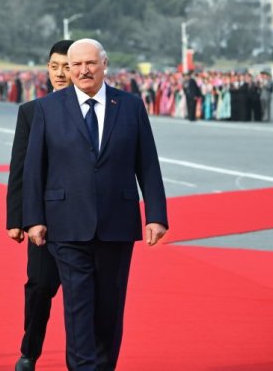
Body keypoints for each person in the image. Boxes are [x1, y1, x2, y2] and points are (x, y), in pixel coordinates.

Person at [23, 38, 168, 371]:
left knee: (109, 307)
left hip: (117, 222)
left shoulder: (130, 106)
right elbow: (33, 168)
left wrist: (156, 215)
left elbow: (147, 162)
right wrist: (33, 218)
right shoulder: (47, 108)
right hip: (66, 223)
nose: (83, 70)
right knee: (78, 306)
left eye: (90, 63)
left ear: (105, 64)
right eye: (76, 64)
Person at [6, 40, 73, 371]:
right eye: (54, 66)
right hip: (44, 219)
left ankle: (82, 359)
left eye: (67, 67)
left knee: (82, 294)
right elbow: (19, 168)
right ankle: (29, 353)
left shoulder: (98, 111)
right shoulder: (31, 112)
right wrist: (16, 219)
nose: (60, 74)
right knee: (40, 287)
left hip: (85, 219)